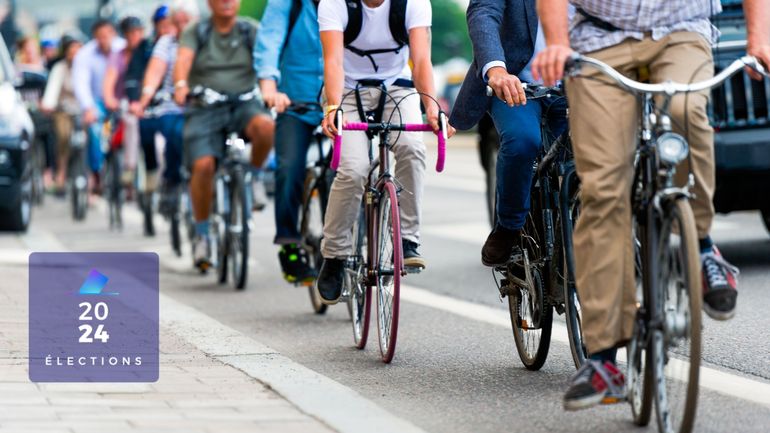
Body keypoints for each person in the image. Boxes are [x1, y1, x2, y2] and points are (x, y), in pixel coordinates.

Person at [531, 0, 770, 411]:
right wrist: (556, 43)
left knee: (684, 112)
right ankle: (604, 360)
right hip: (599, 38)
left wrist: (759, 40)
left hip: (681, 32)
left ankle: (701, 247)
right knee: (604, 192)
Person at [315, 0, 455, 304]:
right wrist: (333, 108)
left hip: (397, 88)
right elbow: (334, 61)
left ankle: (408, 240)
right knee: (352, 169)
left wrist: (431, 109)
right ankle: (335, 254)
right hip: (347, 92)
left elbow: (420, 60)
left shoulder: (413, 4)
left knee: (412, 147)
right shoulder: (334, 4)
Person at [450, 0, 567, 267]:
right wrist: (496, 70)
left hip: (575, 87)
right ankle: (509, 227)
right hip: (515, 86)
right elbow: (484, 13)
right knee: (523, 141)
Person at [173, 0, 275, 271]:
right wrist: (182, 85)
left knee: (267, 127)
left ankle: (253, 177)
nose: (227, 1)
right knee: (203, 165)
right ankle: (203, 234)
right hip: (205, 106)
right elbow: (183, 59)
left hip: (244, 103)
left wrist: (270, 87)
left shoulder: (249, 30)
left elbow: (267, 59)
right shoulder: (197, 31)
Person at [254, 0, 324, 284]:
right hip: (294, 102)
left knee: (354, 167)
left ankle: (353, 242)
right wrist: (270, 86)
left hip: (342, 101)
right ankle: (289, 244)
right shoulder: (289, 3)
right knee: (289, 167)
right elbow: (270, 38)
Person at [132, 2, 198, 234]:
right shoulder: (166, 43)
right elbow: (154, 73)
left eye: (185, 22)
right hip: (172, 106)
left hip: (203, 105)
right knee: (174, 133)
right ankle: (171, 180)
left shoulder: (205, 37)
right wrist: (144, 98)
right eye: (176, 22)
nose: (181, 27)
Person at [72, 19, 126, 187]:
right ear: (95, 37)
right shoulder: (85, 55)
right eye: (100, 36)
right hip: (97, 102)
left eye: (108, 35)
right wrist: (88, 108)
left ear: (114, 34)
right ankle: (96, 172)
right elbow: (81, 83)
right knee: (95, 130)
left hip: (121, 100)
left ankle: (131, 177)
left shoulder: (124, 49)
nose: (105, 40)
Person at [41, 37, 83, 196]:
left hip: (85, 111)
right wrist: (48, 104)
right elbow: (52, 89)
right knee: (63, 136)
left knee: (95, 137)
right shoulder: (60, 68)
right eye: (71, 52)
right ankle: (61, 173)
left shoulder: (86, 66)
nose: (74, 55)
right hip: (64, 111)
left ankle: (94, 179)